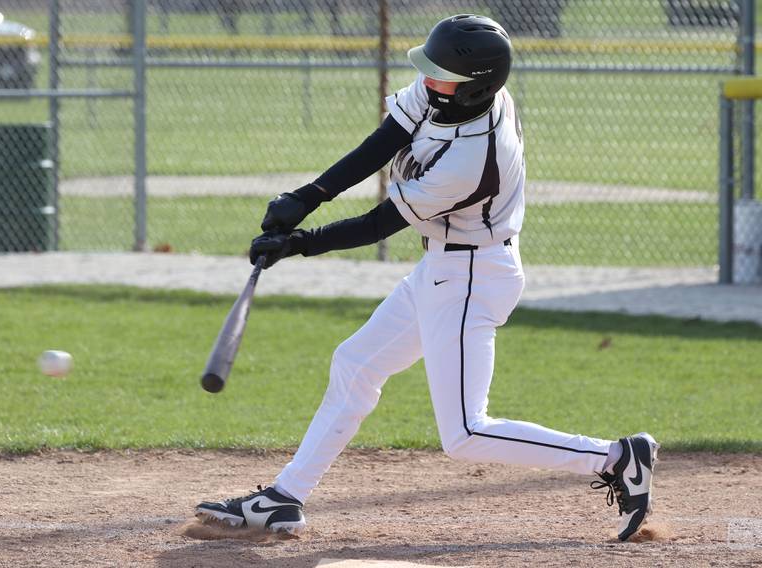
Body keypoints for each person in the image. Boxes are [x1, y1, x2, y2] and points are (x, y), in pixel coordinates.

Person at [195, 14, 658, 542]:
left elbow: (381, 222)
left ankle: (618, 457)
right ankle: (284, 497)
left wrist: (302, 244)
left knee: (463, 434)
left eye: (443, 77)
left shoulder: (475, 156)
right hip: (444, 268)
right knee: (355, 364)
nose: (430, 81)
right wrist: (308, 196)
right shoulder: (456, 91)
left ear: (475, 86)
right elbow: (386, 137)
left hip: (470, 276)